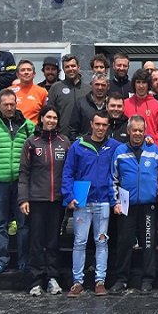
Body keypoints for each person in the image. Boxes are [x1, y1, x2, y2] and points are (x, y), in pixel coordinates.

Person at [62, 110, 120, 297]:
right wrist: (68, 195)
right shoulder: (78, 146)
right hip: (82, 201)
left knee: (101, 241)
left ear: (108, 126)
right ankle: (77, 282)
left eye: (104, 125)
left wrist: (149, 138)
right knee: (79, 242)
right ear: (91, 124)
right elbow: (68, 172)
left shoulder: (113, 146)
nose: (101, 128)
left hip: (103, 200)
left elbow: (134, 145)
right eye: (98, 124)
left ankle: (100, 281)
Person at [0, 89, 35, 274]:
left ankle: (24, 259)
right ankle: (1, 259)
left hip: (21, 182)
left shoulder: (27, 126)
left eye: (12, 104)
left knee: (23, 224)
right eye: (5, 104)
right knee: (0, 223)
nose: (9, 108)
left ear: (16, 103)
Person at [18, 105, 70, 296]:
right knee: (37, 242)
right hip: (36, 199)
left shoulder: (64, 142)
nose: (51, 121)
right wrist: (23, 198)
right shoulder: (31, 143)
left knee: (54, 241)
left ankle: (53, 278)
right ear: (41, 119)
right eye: (48, 117)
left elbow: (70, 170)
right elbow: (24, 173)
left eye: (54, 118)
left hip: (57, 200)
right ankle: (36, 280)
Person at [109, 115, 158, 295]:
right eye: (135, 130)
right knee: (124, 243)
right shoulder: (120, 152)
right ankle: (121, 279)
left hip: (149, 205)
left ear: (145, 130)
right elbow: (113, 179)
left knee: (149, 243)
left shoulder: (155, 151)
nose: (138, 133)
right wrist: (115, 202)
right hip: (126, 205)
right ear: (128, 131)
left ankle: (148, 279)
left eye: (141, 130)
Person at [123, 68, 158, 148]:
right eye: (138, 82)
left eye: (144, 82)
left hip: (150, 150)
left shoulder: (157, 105)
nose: (141, 86)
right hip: (128, 150)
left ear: (148, 85)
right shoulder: (126, 104)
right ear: (134, 84)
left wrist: (157, 148)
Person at [48, 54, 90, 135]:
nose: (70, 69)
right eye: (67, 67)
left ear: (78, 67)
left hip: (84, 137)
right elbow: (50, 112)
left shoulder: (88, 89)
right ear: (63, 69)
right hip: (61, 136)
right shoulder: (56, 87)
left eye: (73, 66)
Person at [68, 73, 109, 141]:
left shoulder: (112, 106)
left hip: (106, 147)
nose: (100, 88)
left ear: (108, 87)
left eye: (103, 85)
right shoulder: (81, 103)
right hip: (85, 146)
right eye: (97, 84)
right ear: (91, 85)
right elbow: (73, 130)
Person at [9, 60, 48, 125]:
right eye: (23, 70)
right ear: (17, 75)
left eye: (29, 70)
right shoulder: (10, 91)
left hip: (33, 131)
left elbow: (45, 114)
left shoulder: (42, 92)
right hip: (14, 130)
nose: (26, 72)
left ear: (34, 74)